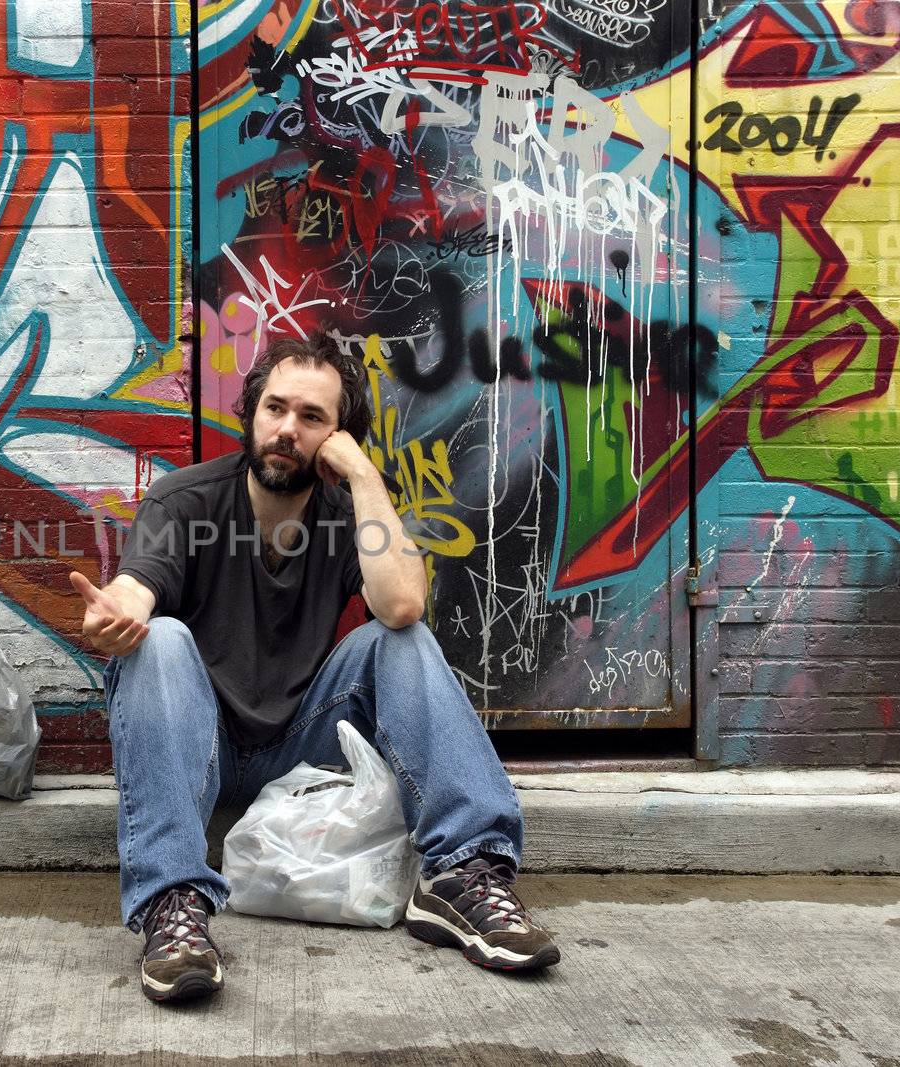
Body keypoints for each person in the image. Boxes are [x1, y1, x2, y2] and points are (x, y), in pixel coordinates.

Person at [68, 332, 559, 1004]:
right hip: (201, 740)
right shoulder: (184, 500)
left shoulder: (346, 511)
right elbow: (138, 585)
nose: (285, 429)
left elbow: (402, 601)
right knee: (158, 638)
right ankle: (173, 906)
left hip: (301, 742)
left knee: (402, 638)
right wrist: (115, 613)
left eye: (311, 418)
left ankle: (458, 871)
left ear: (339, 436)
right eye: (274, 408)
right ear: (250, 413)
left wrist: (362, 477)